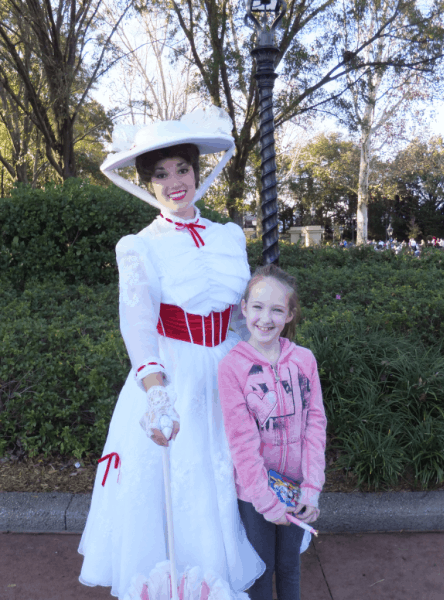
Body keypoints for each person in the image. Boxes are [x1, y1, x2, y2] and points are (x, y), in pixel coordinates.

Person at [78, 107, 264, 599]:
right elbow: (137, 327)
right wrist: (158, 397)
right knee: (181, 486)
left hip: (228, 373)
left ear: (197, 172)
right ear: (148, 184)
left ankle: (220, 580)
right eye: (160, 175)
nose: (174, 182)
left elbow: (243, 317)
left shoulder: (229, 236)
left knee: (225, 483)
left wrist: (265, 368)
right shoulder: (140, 246)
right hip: (175, 373)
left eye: (182, 169)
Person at [218, 264, 327, 600]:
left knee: (290, 567)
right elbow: (241, 442)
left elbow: (315, 426)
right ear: (245, 309)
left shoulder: (304, 360)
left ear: (290, 314)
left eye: (277, 310)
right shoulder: (232, 367)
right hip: (256, 497)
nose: (266, 319)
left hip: (296, 488)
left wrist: (310, 489)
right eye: (258, 308)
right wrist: (266, 501)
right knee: (262, 572)